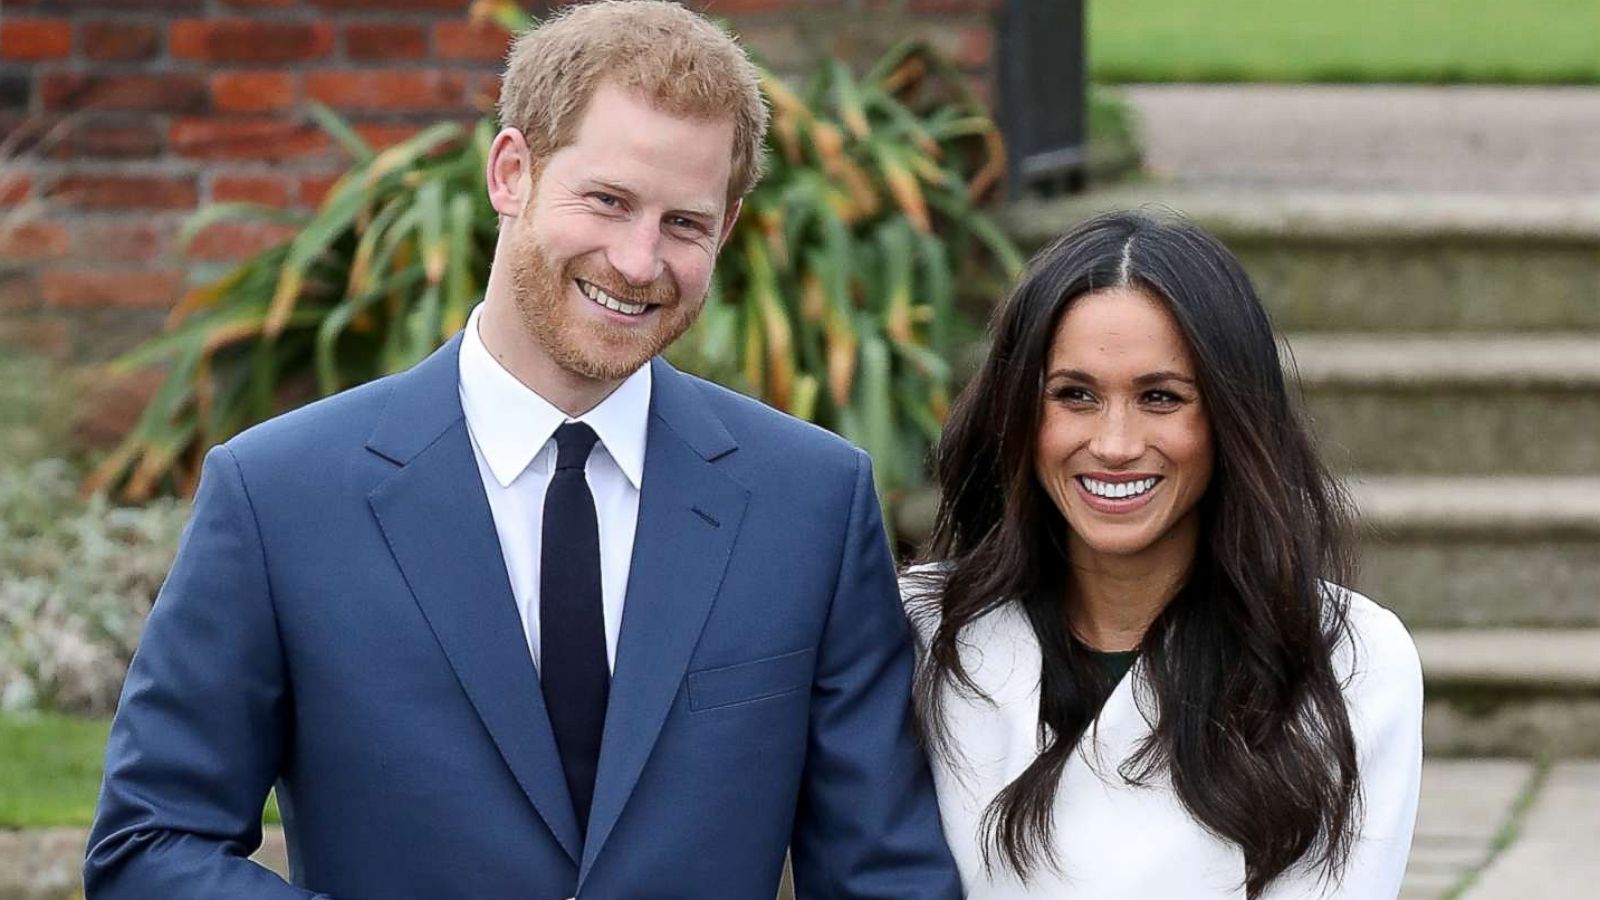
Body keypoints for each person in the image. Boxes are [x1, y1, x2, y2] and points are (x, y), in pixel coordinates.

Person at [84, 3, 960, 897]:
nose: (637, 259)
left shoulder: (810, 503)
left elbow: (882, 876)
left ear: (726, 228)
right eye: (609, 201)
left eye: (684, 224)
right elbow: (150, 844)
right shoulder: (277, 496)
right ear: (512, 172)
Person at [902, 210, 1423, 899]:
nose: (1115, 444)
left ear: (1231, 420)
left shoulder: (1346, 658)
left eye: (1160, 397)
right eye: (1075, 395)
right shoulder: (925, 633)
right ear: (1020, 416)